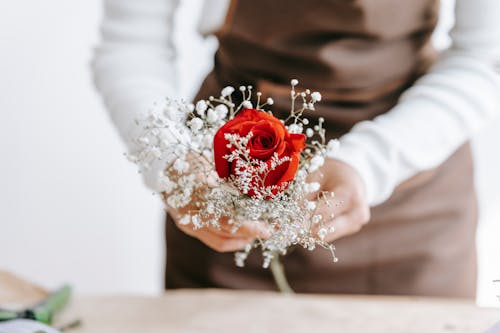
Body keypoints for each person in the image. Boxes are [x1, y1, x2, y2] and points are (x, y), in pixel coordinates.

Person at [91, 0, 500, 297]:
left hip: (415, 212)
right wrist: (172, 160)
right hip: (228, 201)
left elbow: (486, 58)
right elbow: (131, 43)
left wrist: (369, 164)